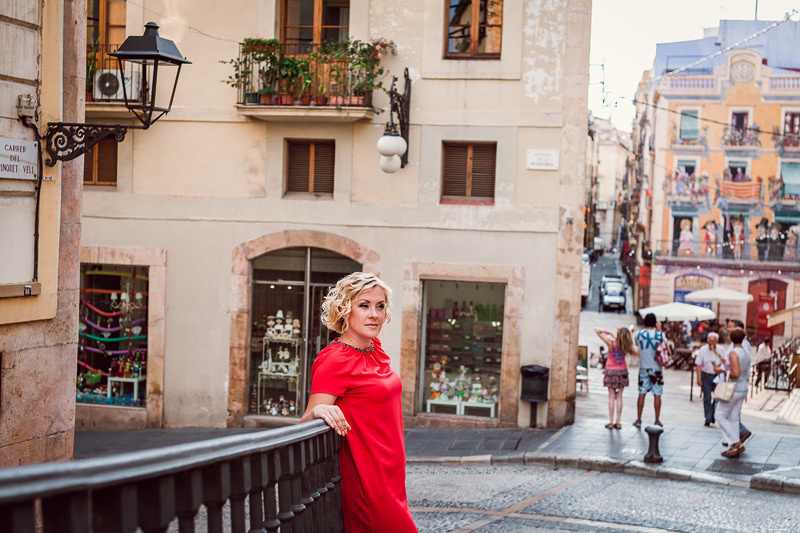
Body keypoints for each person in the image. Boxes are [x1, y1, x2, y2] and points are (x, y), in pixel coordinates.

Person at [300, 272, 417, 533]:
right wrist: (319, 409)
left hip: (391, 474)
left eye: (380, 306)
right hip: (366, 477)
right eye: (364, 305)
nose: (374, 314)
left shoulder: (374, 349)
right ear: (344, 310)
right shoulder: (334, 359)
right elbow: (305, 421)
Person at [594, 326, 639, 429]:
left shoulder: (611, 343)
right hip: (622, 371)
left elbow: (597, 330)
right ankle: (618, 421)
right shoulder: (627, 345)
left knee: (611, 396)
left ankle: (610, 421)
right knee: (619, 397)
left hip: (610, 370)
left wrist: (608, 331)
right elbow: (630, 330)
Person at [717, 328, 751, 458]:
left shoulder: (733, 353)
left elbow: (735, 373)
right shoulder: (746, 352)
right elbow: (741, 369)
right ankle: (733, 447)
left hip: (734, 388)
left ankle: (735, 442)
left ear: (731, 339)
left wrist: (722, 372)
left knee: (719, 415)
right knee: (734, 417)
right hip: (743, 387)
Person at [634, 313, 664, 428]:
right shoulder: (659, 335)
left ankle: (639, 419)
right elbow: (665, 346)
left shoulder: (639, 334)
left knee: (641, 393)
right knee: (657, 393)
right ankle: (657, 419)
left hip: (643, 366)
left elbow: (637, 345)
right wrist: (660, 329)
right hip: (656, 367)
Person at [694, 332, 725, 426]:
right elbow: (698, 365)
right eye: (709, 341)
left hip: (717, 376)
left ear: (716, 341)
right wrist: (698, 378)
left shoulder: (721, 349)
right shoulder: (703, 350)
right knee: (707, 397)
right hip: (706, 375)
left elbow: (726, 363)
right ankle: (708, 418)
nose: (710, 343)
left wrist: (721, 359)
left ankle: (712, 414)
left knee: (717, 398)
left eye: (713, 341)